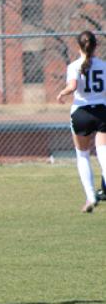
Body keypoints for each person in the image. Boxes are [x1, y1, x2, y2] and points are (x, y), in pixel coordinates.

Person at [57, 31, 106, 213]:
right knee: (103, 153)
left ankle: (91, 196)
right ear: (95, 46)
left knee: (83, 155)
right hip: (102, 111)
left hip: (81, 114)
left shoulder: (74, 66)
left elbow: (73, 86)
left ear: (78, 47)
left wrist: (63, 93)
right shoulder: (103, 65)